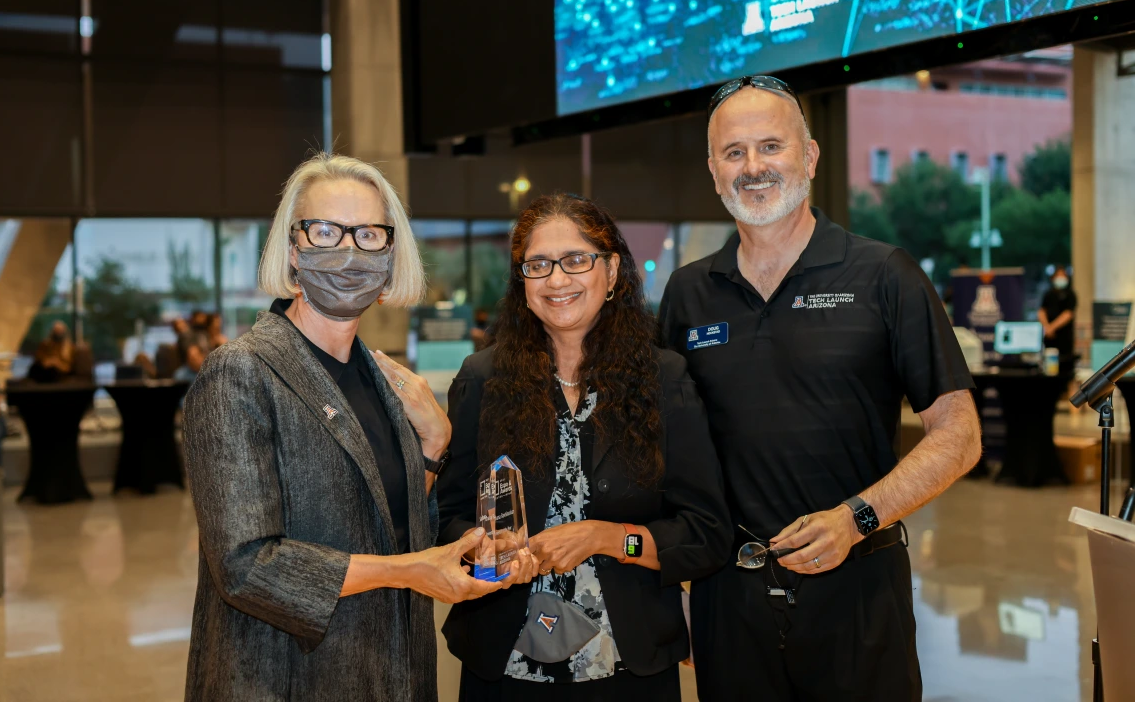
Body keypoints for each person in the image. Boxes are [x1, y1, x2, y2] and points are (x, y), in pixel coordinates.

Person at [658, 76, 982, 701]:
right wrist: (678, 588)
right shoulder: (688, 292)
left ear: (808, 156)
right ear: (713, 171)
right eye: (734, 152)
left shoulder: (885, 275)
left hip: (858, 587)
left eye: (771, 146)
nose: (753, 167)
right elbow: (668, 454)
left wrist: (856, 519)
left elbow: (960, 434)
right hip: (729, 596)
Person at [181, 152, 534, 702]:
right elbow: (246, 567)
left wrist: (436, 454)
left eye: (369, 234)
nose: (348, 252)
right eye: (325, 231)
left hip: (390, 668)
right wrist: (412, 570)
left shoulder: (385, 383)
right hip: (284, 676)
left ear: (391, 255)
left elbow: (382, 523)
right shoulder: (242, 372)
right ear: (293, 250)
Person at [438, 193, 731, 701]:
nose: (556, 280)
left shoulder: (664, 380)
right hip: (503, 668)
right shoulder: (482, 380)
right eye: (538, 265)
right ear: (521, 280)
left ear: (612, 271)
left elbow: (705, 533)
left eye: (576, 260)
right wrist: (483, 547)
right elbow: (447, 515)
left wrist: (609, 538)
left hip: (630, 670)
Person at [1038, 265, 1077, 378]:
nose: (1060, 278)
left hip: (1064, 339)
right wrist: (1046, 327)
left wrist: (1052, 327)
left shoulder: (1070, 294)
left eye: (1062, 276)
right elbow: (1041, 311)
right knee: (1049, 369)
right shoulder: (1048, 294)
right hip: (1050, 339)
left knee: (1066, 371)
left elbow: (1068, 314)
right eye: (1058, 276)